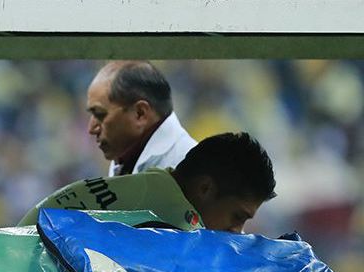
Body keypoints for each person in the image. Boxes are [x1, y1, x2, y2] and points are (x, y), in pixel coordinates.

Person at [19, 132, 276, 233]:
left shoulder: (150, 189)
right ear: (205, 189)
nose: (238, 232)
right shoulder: (168, 219)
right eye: (237, 217)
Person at [87, 61, 197, 176]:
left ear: (140, 113)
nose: (91, 129)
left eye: (100, 114)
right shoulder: (126, 157)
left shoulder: (189, 170)